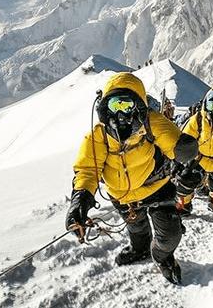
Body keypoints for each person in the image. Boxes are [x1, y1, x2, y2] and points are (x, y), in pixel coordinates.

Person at [65, 72, 197, 284]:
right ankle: (141, 249)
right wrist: (80, 199)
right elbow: (88, 169)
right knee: (136, 229)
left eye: (126, 106)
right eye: (115, 105)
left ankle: (162, 256)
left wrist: (186, 156)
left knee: (170, 234)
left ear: (138, 106)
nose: (120, 113)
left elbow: (172, 141)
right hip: (123, 197)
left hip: (156, 187)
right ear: (104, 106)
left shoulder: (152, 122)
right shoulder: (98, 135)